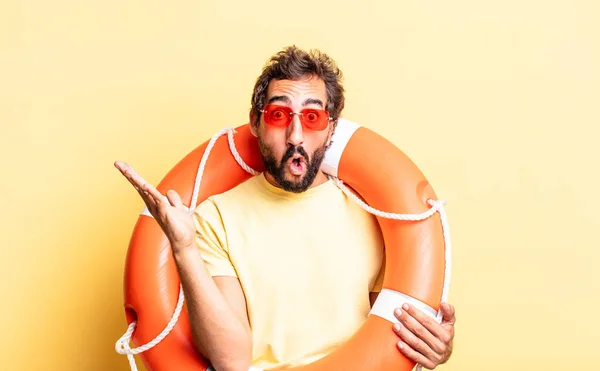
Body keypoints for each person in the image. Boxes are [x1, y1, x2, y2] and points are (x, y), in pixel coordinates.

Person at [115, 46, 456, 371]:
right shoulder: (215, 218)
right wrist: (183, 247)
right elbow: (231, 361)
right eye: (279, 115)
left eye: (312, 117)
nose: (295, 135)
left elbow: (392, 329)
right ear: (255, 122)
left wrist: (435, 344)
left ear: (331, 127)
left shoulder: (374, 212)